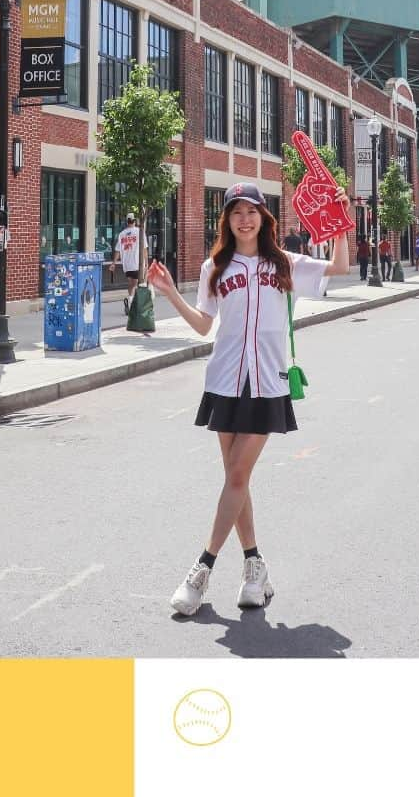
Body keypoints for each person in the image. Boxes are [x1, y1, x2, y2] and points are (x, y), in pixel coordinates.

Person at [148, 181, 351, 616]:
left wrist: (339, 221)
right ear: (227, 219)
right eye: (236, 211)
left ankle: (201, 570)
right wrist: (170, 294)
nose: (245, 218)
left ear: (264, 217)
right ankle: (254, 567)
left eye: (252, 211)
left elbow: (340, 266)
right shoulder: (214, 268)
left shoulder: (284, 263)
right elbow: (204, 326)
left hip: (268, 383)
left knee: (236, 477)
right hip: (224, 381)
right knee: (235, 482)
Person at [113, 213, 141, 314]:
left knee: (131, 284)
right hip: (137, 263)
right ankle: (132, 303)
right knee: (137, 284)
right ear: (134, 221)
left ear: (127, 221)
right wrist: (146, 263)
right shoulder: (139, 232)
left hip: (126, 265)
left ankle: (130, 300)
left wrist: (114, 263)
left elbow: (117, 250)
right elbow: (145, 248)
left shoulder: (122, 234)